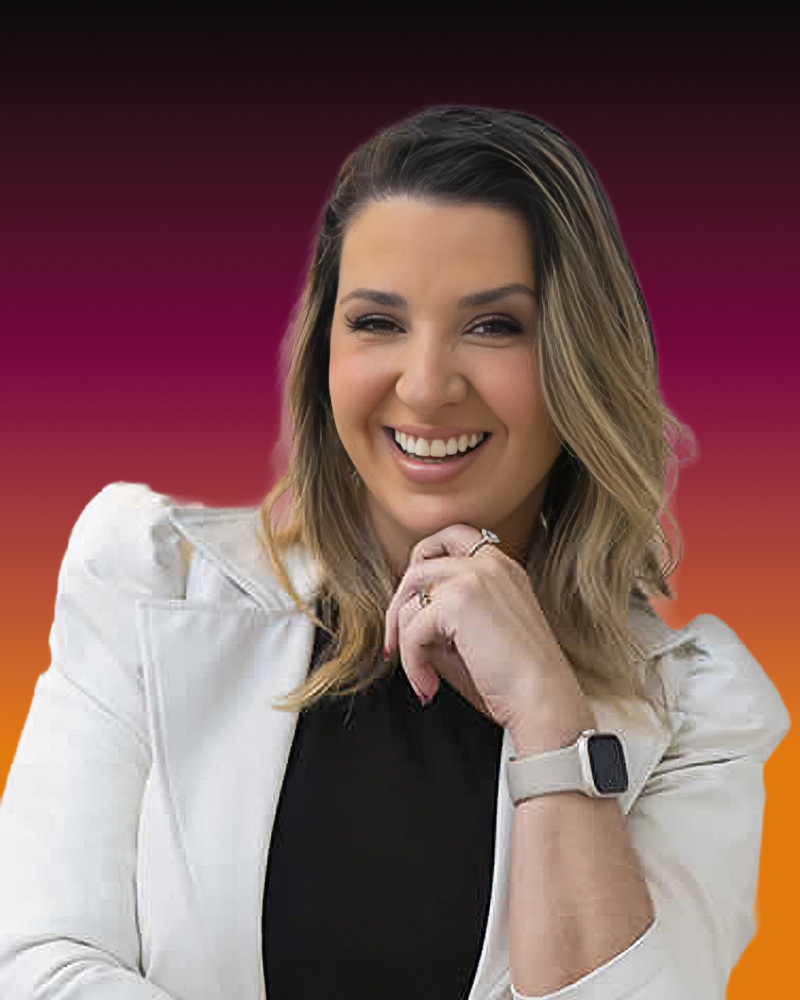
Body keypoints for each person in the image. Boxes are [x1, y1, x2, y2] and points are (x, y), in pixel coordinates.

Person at [0, 105, 790, 1000]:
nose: (425, 385)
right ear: (324, 353)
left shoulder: (700, 713)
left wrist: (549, 720)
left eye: (494, 326)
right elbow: (38, 968)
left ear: (580, 359)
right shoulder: (145, 577)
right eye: (378, 321)